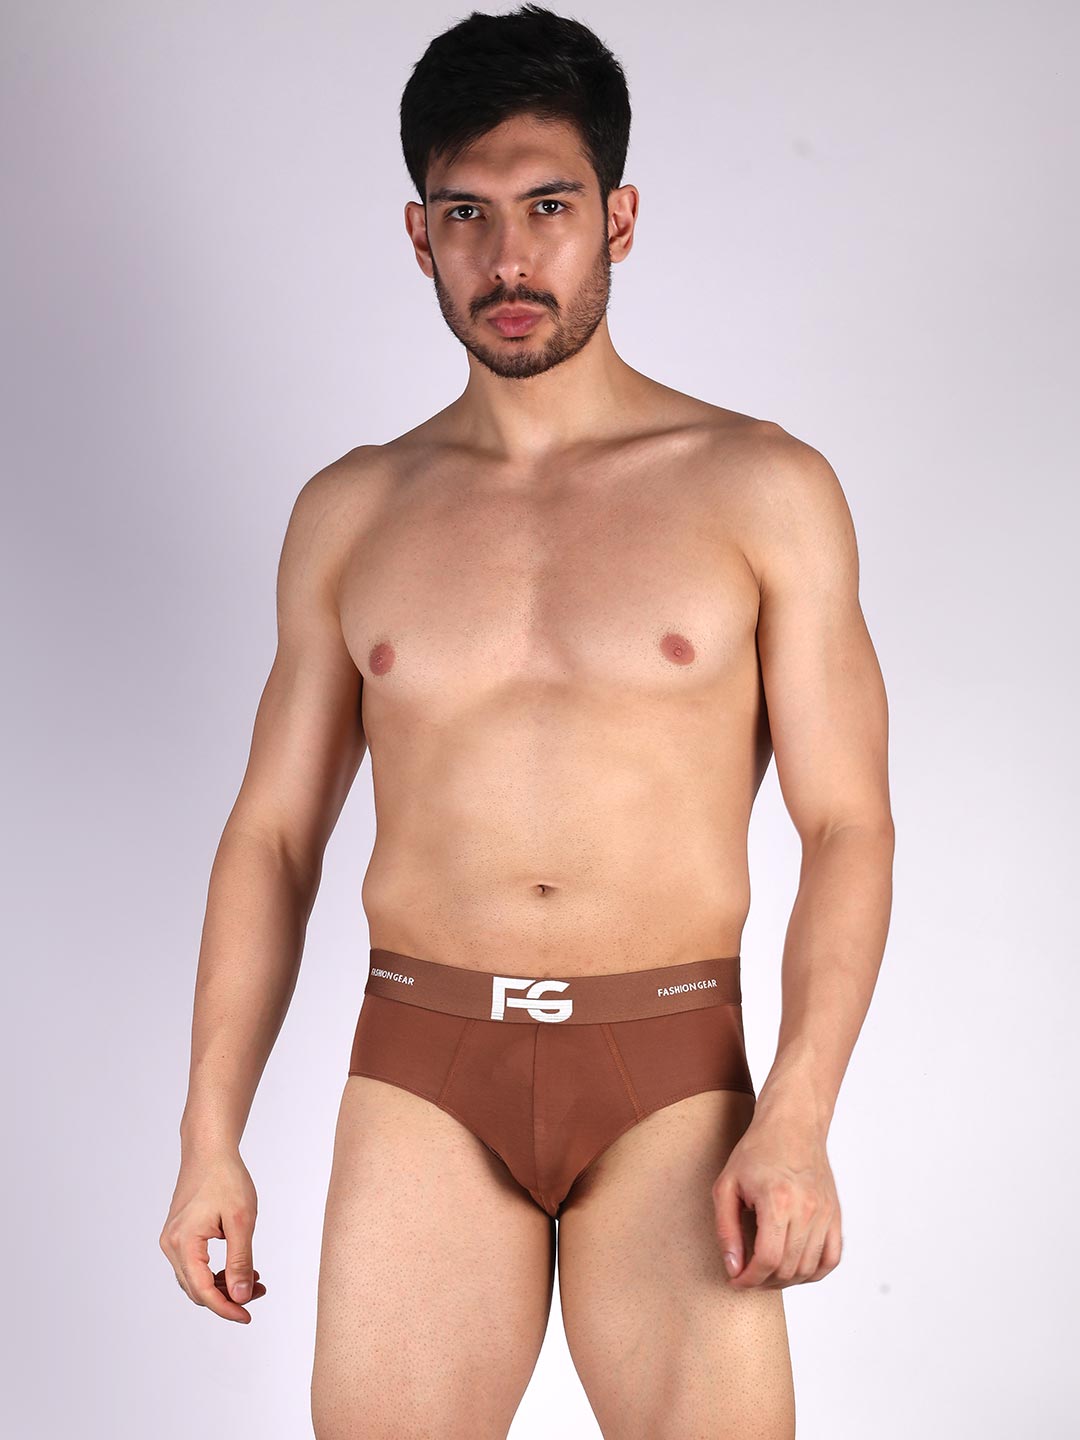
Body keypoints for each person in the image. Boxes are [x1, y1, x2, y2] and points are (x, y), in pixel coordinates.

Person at [160, 6, 894, 1436]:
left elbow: (847, 821)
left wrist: (799, 1112)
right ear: (418, 235)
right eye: (467, 214)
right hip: (424, 1069)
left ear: (618, 219)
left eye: (548, 207)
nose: (508, 258)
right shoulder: (353, 511)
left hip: (672, 1073)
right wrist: (208, 1137)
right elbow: (273, 837)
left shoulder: (761, 488)